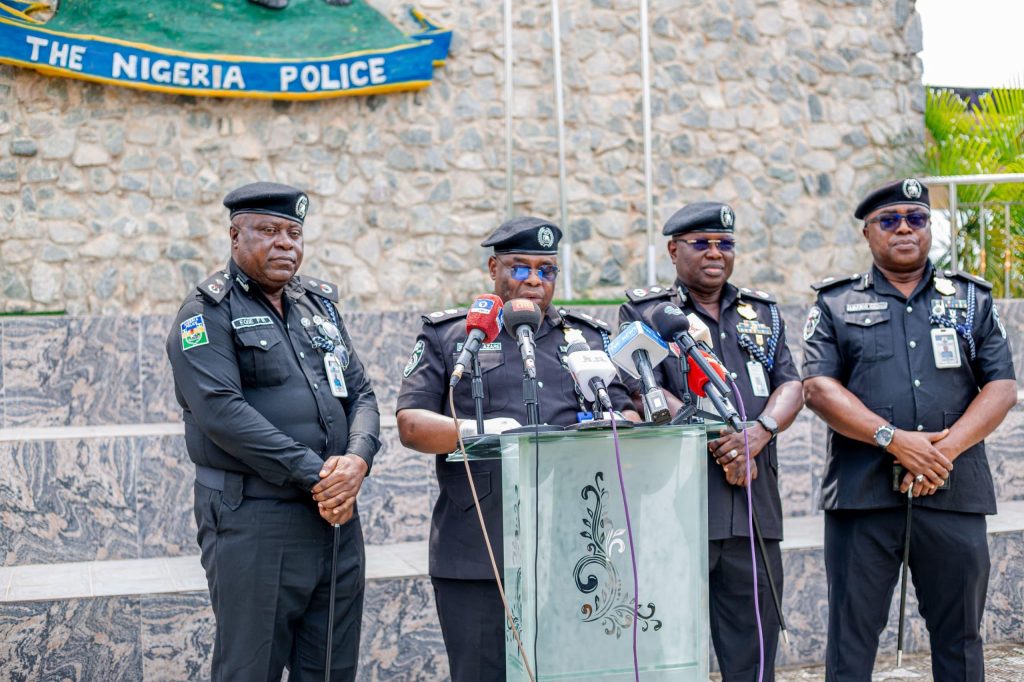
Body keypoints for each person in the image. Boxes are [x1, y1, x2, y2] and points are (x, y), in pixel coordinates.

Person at [395, 216, 641, 681]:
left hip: (574, 546)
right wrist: (480, 430)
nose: (533, 280)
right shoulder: (453, 336)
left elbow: (627, 414)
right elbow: (411, 424)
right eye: (520, 268)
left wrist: (606, 427)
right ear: (494, 269)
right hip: (478, 548)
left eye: (546, 270)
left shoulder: (586, 338)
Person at [802, 178, 1017, 681]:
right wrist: (895, 440)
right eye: (889, 220)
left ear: (929, 228)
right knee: (850, 640)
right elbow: (818, 389)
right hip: (862, 497)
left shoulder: (971, 299)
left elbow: (1002, 387)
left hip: (953, 493)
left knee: (960, 638)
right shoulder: (835, 303)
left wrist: (941, 453)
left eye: (916, 218)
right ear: (868, 232)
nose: (904, 228)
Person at [166, 181, 380, 681]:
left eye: (294, 233)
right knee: (250, 668)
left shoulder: (320, 307)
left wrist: (357, 461)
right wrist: (323, 477)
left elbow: (362, 395)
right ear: (235, 236)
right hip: (254, 519)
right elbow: (222, 413)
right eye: (268, 231)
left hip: (334, 518)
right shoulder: (206, 313)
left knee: (330, 668)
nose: (285, 243)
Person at [619, 201, 804, 682]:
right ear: (673, 250)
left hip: (752, 510)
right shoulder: (645, 312)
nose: (715, 253)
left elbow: (791, 385)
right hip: (677, 509)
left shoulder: (762, 312)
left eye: (725, 244)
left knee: (753, 657)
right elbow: (639, 388)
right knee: (667, 655)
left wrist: (760, 431)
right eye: (701, 243)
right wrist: (720, 434)